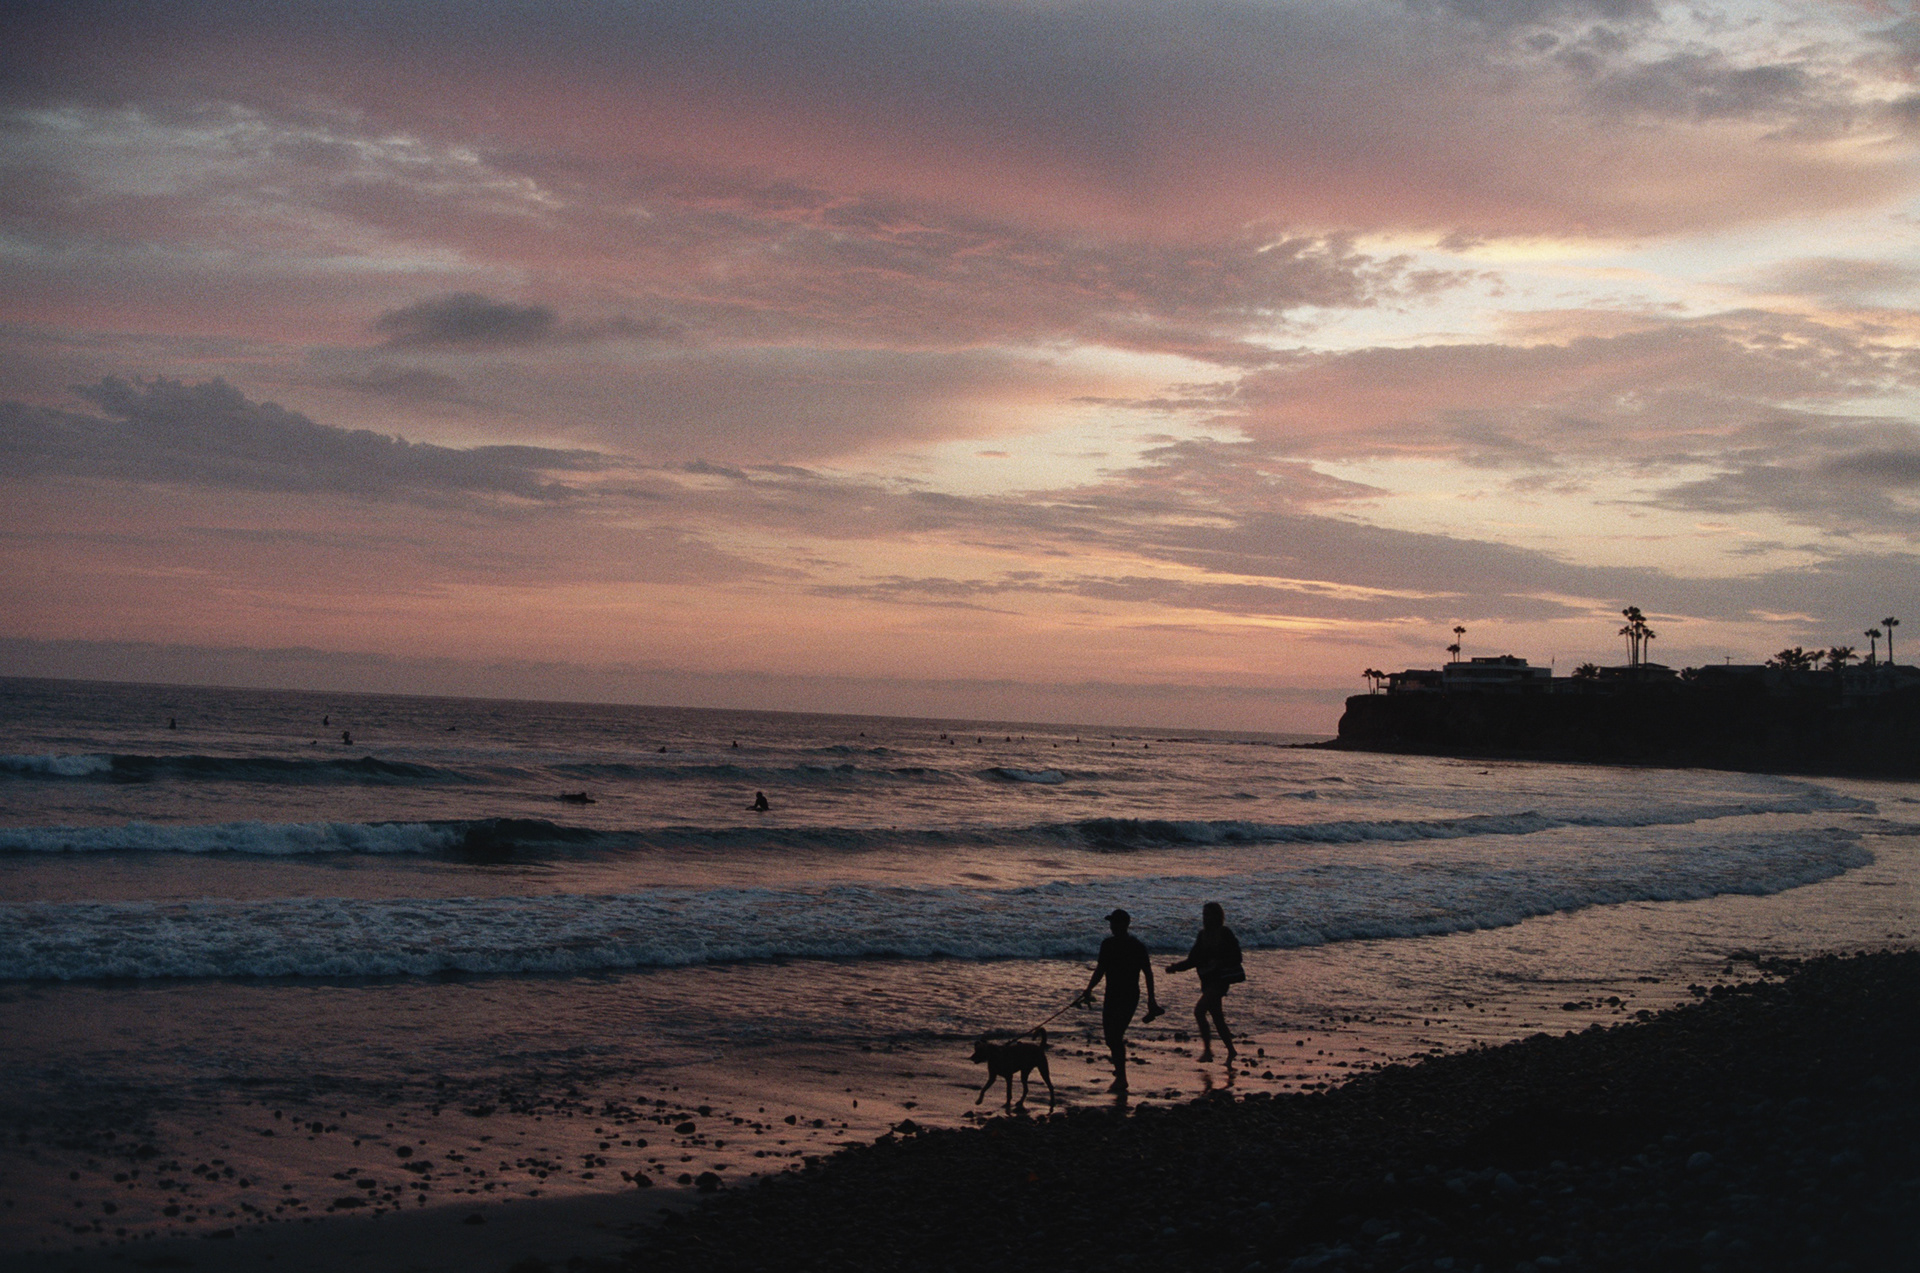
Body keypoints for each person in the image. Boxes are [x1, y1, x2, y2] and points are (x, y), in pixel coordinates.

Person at [1078, 908, 1161, 1093]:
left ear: (1125, 924)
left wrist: (1151, 1000)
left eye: (1115, 922)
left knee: (1115, 1036)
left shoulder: (1137, 946)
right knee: (1110, 1037)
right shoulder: (1107, 944)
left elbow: (1148, 973)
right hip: (1111, 995)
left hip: (1129, 996)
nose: (1112, 926)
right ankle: (1119, 1068)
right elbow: (1100, 969)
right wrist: (1089, 988)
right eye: (1111, 923)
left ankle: (1121, 1078)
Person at [1166, 901, 1243, 1062]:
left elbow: (1237, 956)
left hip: (1220, 980)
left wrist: (1219, 962)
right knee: (1217, 1017)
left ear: (1217, 916)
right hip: (1207, 981)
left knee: (1199, 1011)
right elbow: (1193, 960)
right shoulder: (1202, 935)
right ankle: (1231, 1050)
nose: (1205, 918)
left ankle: (1208, 1051)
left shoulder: (1225, 933)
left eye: (1208, 915)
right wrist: (1175, 967)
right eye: (1203, 915)